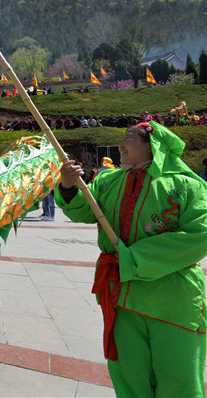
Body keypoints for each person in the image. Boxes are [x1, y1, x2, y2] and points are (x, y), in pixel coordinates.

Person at [57, 122, 207, 397]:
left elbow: (200, 234)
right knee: (129, 375)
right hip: (122, 298)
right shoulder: (108, 181)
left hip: (172, 299)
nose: (120, 144)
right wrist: (68, 187)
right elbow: (83, 212)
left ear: (152, 144)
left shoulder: (186, 186)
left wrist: (132, 259)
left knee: (179, 379)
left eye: (128, 138)